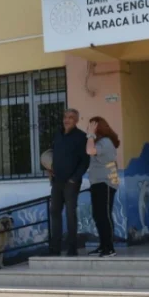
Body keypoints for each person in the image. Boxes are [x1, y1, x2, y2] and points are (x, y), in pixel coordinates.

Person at [48, 108, 89, 257]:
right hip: (57, 180)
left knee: (70, 214)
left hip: (71, 182)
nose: (67, 120)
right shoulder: (58, 135)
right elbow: (52, 154)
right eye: (65, 117)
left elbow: (85, 162)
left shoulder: (81, 137)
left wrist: (75, 178)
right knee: (54, 212)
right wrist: (50, 169)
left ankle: (72, 248)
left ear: (76, 120)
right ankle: (55, 248)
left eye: (71, 117)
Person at [86, 116, 121, 258]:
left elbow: (90, 151)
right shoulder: (99, 142)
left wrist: (90, 134)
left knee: (104, 215)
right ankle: (103, 245)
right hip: (97, 183)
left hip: (105, 183)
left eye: (91, 126)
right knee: (97, 215)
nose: (88, 128)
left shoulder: (106, 142)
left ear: (97, 128)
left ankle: (110, 248)